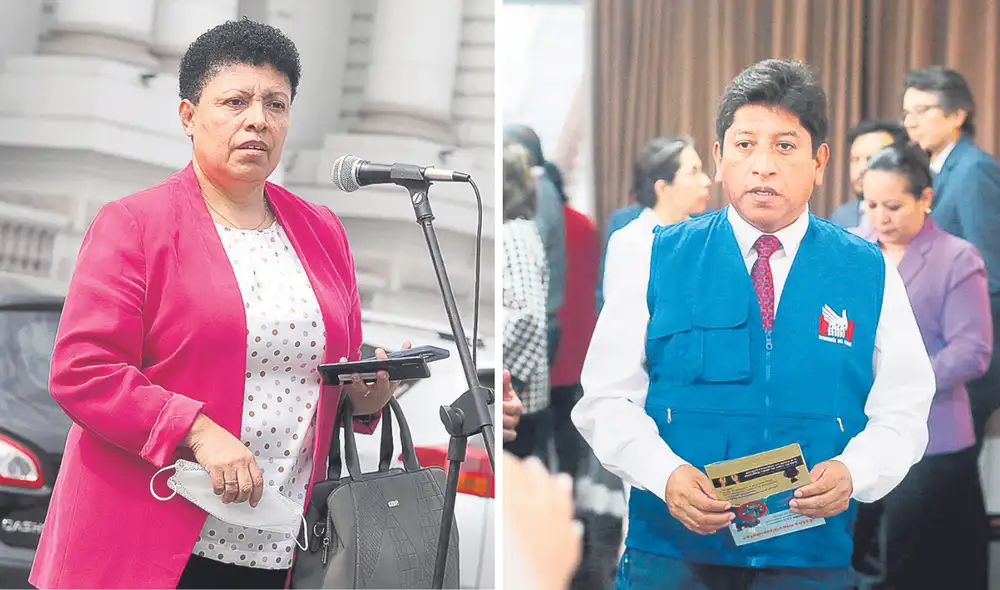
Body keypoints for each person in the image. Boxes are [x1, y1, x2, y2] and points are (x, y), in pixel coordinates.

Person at [29, 19, 408, 590]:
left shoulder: (322, 232)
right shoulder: (134, 224)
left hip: (275, 548)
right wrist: (198, 431)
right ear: (188, 115)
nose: (258, 119)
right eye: (235, 102)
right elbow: (84, 371)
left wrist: (365, 396)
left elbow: (331, 371)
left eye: (275, 104)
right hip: (146, 540)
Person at [574, 58, 935, 589]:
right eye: (745, 145)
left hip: (808, 557)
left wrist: (855, 470)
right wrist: (664, 474)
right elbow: (605, 398)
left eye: (785, 146)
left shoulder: (867, 270)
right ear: (720, 158)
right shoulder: (656, 257)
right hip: (672, 553)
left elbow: (905, 406)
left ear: (819, 161)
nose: (763, 165)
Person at [851, 142, 992, 589]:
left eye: (893, 206)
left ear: (925, 199)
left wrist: (896, 383)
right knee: (860, 559)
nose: (880, 218)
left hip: (933, 438)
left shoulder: (956, 257)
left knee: (916, 565)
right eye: (871, 205)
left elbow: (972, 350)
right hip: (858, 434)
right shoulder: (853, 251)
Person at [903, 66, 1000, 445]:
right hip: (938, 347)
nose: (910, 122)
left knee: (950, 462)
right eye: (907, 113)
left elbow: (990, 270)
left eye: (922, 111)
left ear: (957, 115)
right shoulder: (936, 168)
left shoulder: (974, 170)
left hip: (967, 353)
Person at [598, 135, 713, 313]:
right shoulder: (631, 242)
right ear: (663, 188)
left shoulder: (706, 234)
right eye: (693, 172)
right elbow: (623, 318)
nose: (706, 181)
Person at [502, 141, 551, 460]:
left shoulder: (514, 235)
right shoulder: (520, 231)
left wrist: (499, 372)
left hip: (517, 402)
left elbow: (527, 314)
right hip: (520, 398)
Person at [504, 124, 566, 365]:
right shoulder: (542, 187)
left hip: (536, 326)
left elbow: (525, 263)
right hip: (537, 323)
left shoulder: (539, 191)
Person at [828, 119, 908, 230]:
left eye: (870, 159)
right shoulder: (841, 218)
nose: (861, 168)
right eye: (855, 159)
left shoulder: (915, 216)